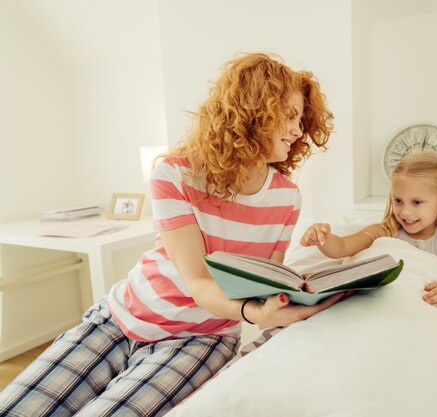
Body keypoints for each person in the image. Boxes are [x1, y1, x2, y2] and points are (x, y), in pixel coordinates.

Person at [0, 52, 346, 417]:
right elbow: (197, 280)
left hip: (201, 339)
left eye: (301, 119)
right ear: (252, 111)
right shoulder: (174, 173)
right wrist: (255, 313)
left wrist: (292, 295)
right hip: (121, 316)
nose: (298, 130)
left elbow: (260, 281)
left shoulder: (287, 197)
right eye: (289, 116)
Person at [300, 151, 437, 315]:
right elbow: (342, 248)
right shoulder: (383, 232)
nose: (405, 211)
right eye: (398, 200)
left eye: (417, 202)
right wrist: (323, 238)